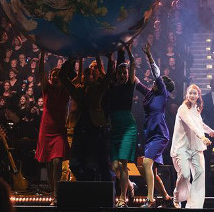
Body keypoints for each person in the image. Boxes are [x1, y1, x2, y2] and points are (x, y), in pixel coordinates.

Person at [60, 54, 114, 183]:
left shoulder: (98, 89)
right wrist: (70, 60)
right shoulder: (77, 91)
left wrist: (110, 58)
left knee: (92, 166)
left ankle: (91, 190)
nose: (87, 75)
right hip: (79, 130)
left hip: (95, 131)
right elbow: (62, 77)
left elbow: (109, 75)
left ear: (94, 77)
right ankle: (85, 184)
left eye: (90, 73)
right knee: (74, 165)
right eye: (85, 73)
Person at [135, 42, 176, 208]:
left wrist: (149, 56)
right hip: (150, 134)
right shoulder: (150, 94)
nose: (153, 81)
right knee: (152, 171)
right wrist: (128, 61)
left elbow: (156, 74)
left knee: (146, 163)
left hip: (160, 134)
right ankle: (166, 197)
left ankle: (150, 199)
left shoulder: (163, 94)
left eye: (157, 82)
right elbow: (136, 82)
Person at [34, 51, 70, 205]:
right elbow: (41, 72)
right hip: (46, 130)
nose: (55, 77)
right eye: (53, 75)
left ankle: (56, 195)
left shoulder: (66, 91)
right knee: (48, 164)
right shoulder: (47, 89)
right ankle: (53, 191)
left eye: (57, 75)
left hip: (59, 131)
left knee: (56, 162)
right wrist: (42, 55)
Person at [171, 83, 214, 209]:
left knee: (200, 172)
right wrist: (202, 137)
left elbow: (199, 124)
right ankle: (177, 196)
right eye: (190, 93)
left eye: (194, 93)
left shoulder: (196, 109)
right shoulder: (182, 108)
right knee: (185, 175)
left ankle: (193, 204)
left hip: (194, 147)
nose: (192, 95)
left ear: (198, 95)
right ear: (186, 95)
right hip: (182, 147)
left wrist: (209, 131)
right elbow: (191, 125)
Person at [109, 44, 138, 208]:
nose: (122, 74)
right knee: (114, 166)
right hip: (114, 126)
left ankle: (122, 197)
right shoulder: (112, 86)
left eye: (124, 72)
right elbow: (110, 70)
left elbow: (132, 63)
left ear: (128, 74)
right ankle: (130, 185)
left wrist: (128, 49)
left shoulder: (130, 84)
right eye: (120, 72)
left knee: (123, 164)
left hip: (127, 127)